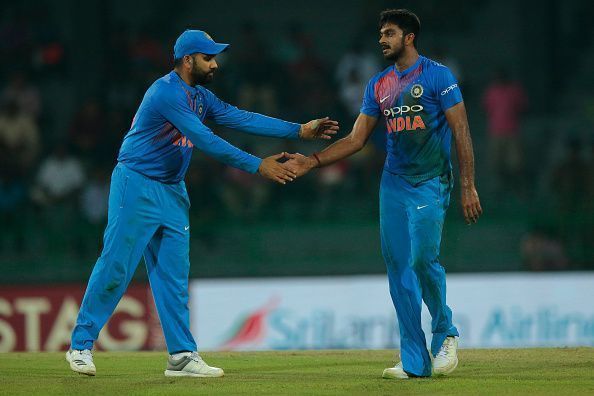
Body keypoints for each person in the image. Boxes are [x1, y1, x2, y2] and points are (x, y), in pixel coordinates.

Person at [66, 29, 338, 377]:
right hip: (136, 185)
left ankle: (180, 356)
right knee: (116, 265)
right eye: (208, 57)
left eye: (215, 57)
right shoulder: (165, 93)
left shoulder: (199, 96)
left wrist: (299, 130)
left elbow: (241, 117)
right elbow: (205, 140)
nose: (215, 63)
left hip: (172, 190)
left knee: (174, 276)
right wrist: (258, 165)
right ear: (187, 59)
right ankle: (81, 345)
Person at [286, 9, 482, 378]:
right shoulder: (378, 84)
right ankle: (414, 361)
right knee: (398, 271)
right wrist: (312, 161)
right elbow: (357, 139)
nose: (382, 40)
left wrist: (468, 186)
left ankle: (446, 333)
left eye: (389, 33)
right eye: (380, 34)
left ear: (409, 37)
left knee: (423, 260)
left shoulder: (439, 76)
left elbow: (462, 133)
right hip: (393, 184)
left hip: (430, 180)